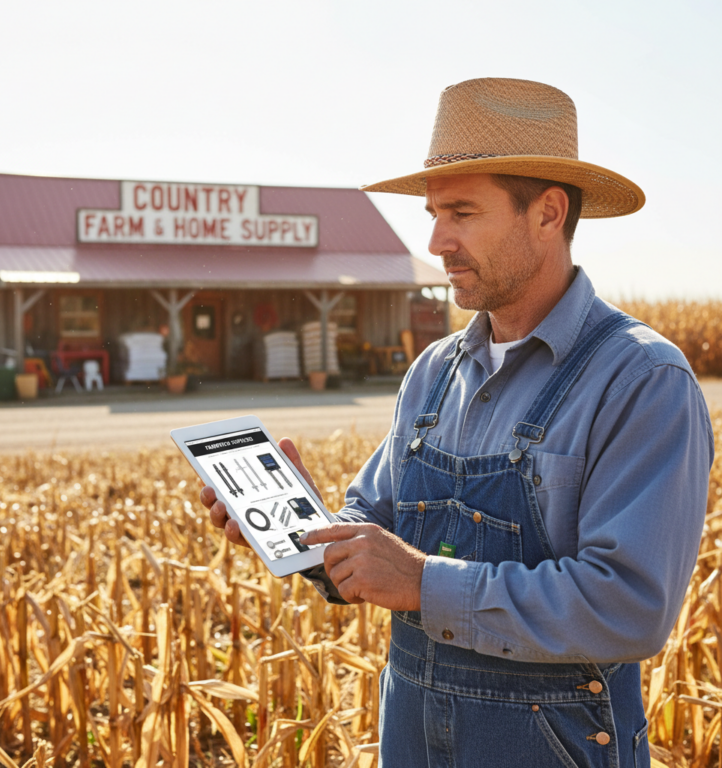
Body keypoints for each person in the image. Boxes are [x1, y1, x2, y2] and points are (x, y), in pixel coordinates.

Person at [201, 78, 714, 767]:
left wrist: (422, 583)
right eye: (434, 213)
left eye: (462, 213)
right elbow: (373, 529)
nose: (438, 241)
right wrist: (300, 530)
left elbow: (628, 607)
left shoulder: (640, 379)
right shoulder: (435, 370)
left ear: (548, 213)